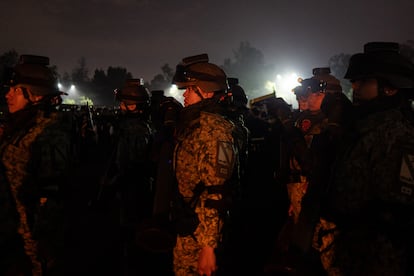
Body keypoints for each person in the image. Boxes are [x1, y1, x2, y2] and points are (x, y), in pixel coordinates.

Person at [316, 41, 414, 275]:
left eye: (364, 80)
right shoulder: (363, 128)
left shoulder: (399, 134)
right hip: (353, 250)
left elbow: (397, 207)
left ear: (389, 88)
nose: (355, 87)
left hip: (381, 256)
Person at [0, 55, 72, 275]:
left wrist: (40, 245)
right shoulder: (23, 127)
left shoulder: (48, 133)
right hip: (12, 234)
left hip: (29, 243)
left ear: (34, 94)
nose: (7, 95)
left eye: (15, 90)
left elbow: (50, 194)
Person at [171, 53, 239, 276]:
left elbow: (216, 192)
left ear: (207, 92)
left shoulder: (214, 130)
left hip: (203, 234)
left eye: (191, 88)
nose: (185, 94)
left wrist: (209, 247)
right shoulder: (197, 124)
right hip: (191, 225)